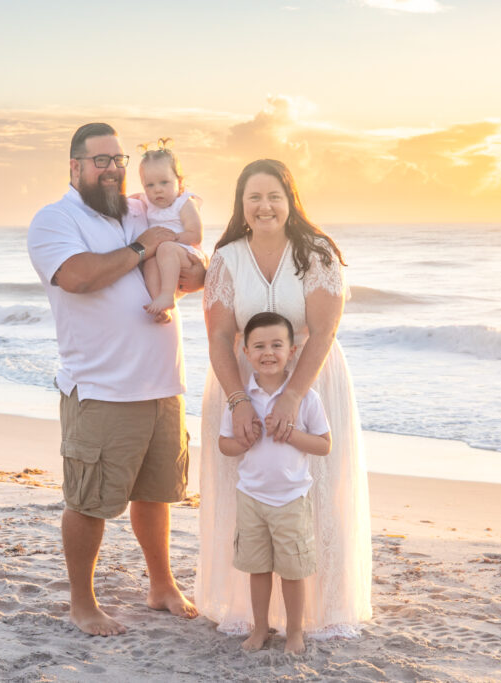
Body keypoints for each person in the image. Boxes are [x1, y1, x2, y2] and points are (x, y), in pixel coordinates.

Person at [27, 122, 205, 636]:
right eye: (100, 160)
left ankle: (161, 584)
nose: (112, 170)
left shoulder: (137, 210)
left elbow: (187, 257)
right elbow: (79, 277)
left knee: (155, 493)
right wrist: (143, 249)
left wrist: (190, 263)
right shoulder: (55, 219)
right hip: (101, 387)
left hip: (162, 382)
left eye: (118, 160)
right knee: (89, 501)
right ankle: (83, 604)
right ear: (75, 166)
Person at [198, 159, 372, 639]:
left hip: (313, 380)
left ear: (289, 199)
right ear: (242, 206)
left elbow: (322, 330)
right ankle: (251, 613)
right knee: (248, 488)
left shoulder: (316, 254)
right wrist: (238, 399)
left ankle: (320, 611)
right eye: (253, 197)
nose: (264, 205)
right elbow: (217, 338)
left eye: (273, 195)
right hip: (242, 382)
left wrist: (295, 395)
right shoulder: (228, 258)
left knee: (316, 489)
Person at [219, 312, 331, 655]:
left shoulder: (305, 398)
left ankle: (294, 631)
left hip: (291, 497)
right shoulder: (241, 400)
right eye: (260, 346)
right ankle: (259, 628)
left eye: (277, 345)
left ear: (293, 351)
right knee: (258, 568)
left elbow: (324, 445)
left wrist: (292, 434)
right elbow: (224, 444)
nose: (269, 352)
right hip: (251, 496)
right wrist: (244, 440)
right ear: (246, 351)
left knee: (293, 570)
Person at [137, 142, 205, 322]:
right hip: (164, 256)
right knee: (150, 262)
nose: (157, 189)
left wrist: (172, 239)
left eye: (164, 182)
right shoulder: (147, 202)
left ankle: (168, 296)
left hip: (185, 253)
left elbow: (195, 234)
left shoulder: (184, 203)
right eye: (149, 185)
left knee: (165, 248)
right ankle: (160, 304)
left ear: (179, 182)